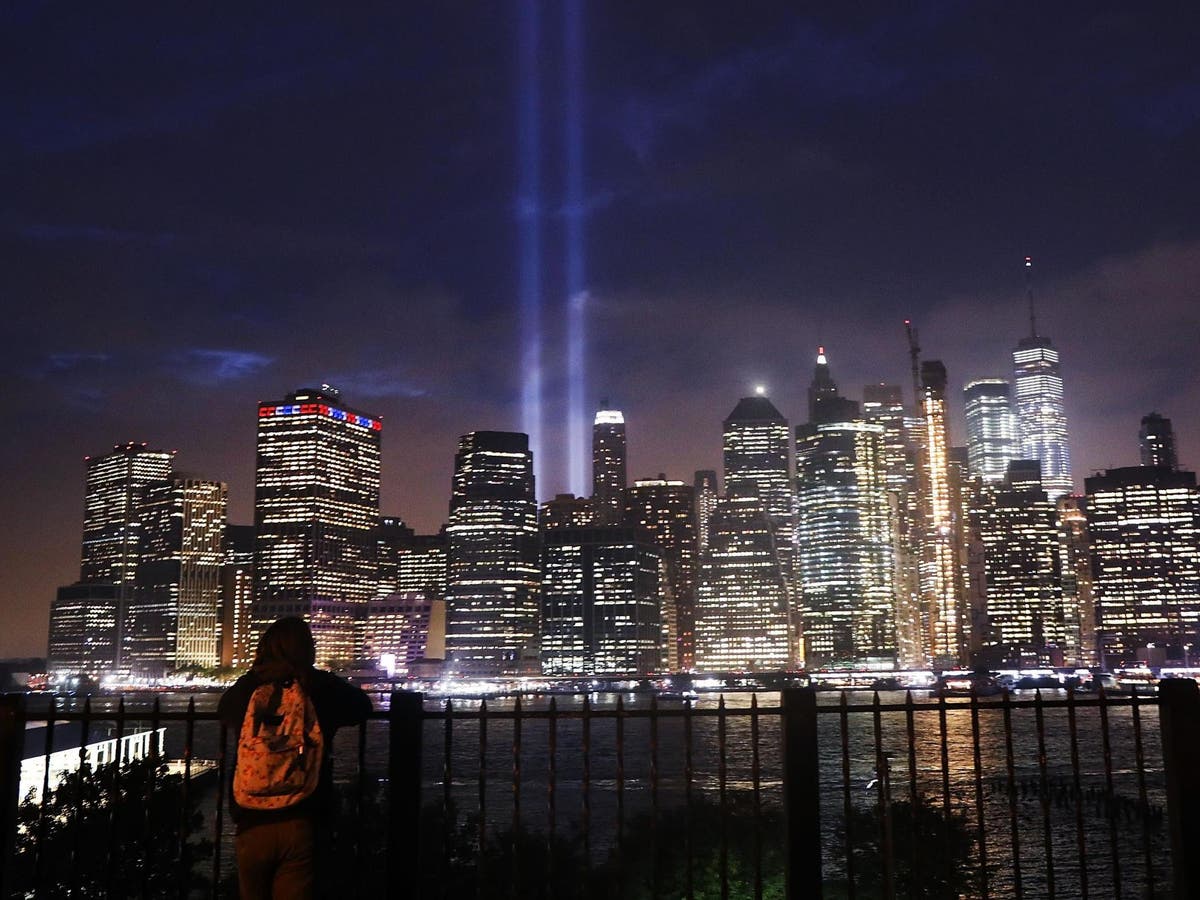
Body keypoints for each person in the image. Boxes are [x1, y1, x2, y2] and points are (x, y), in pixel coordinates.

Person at [219, 617, 373, 899]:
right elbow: (362, 707)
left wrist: (258, 675)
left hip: (252, 822)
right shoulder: (319, 687)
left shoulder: (248, 689)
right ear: (308, 649)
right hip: (303, 817)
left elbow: (224, 711)